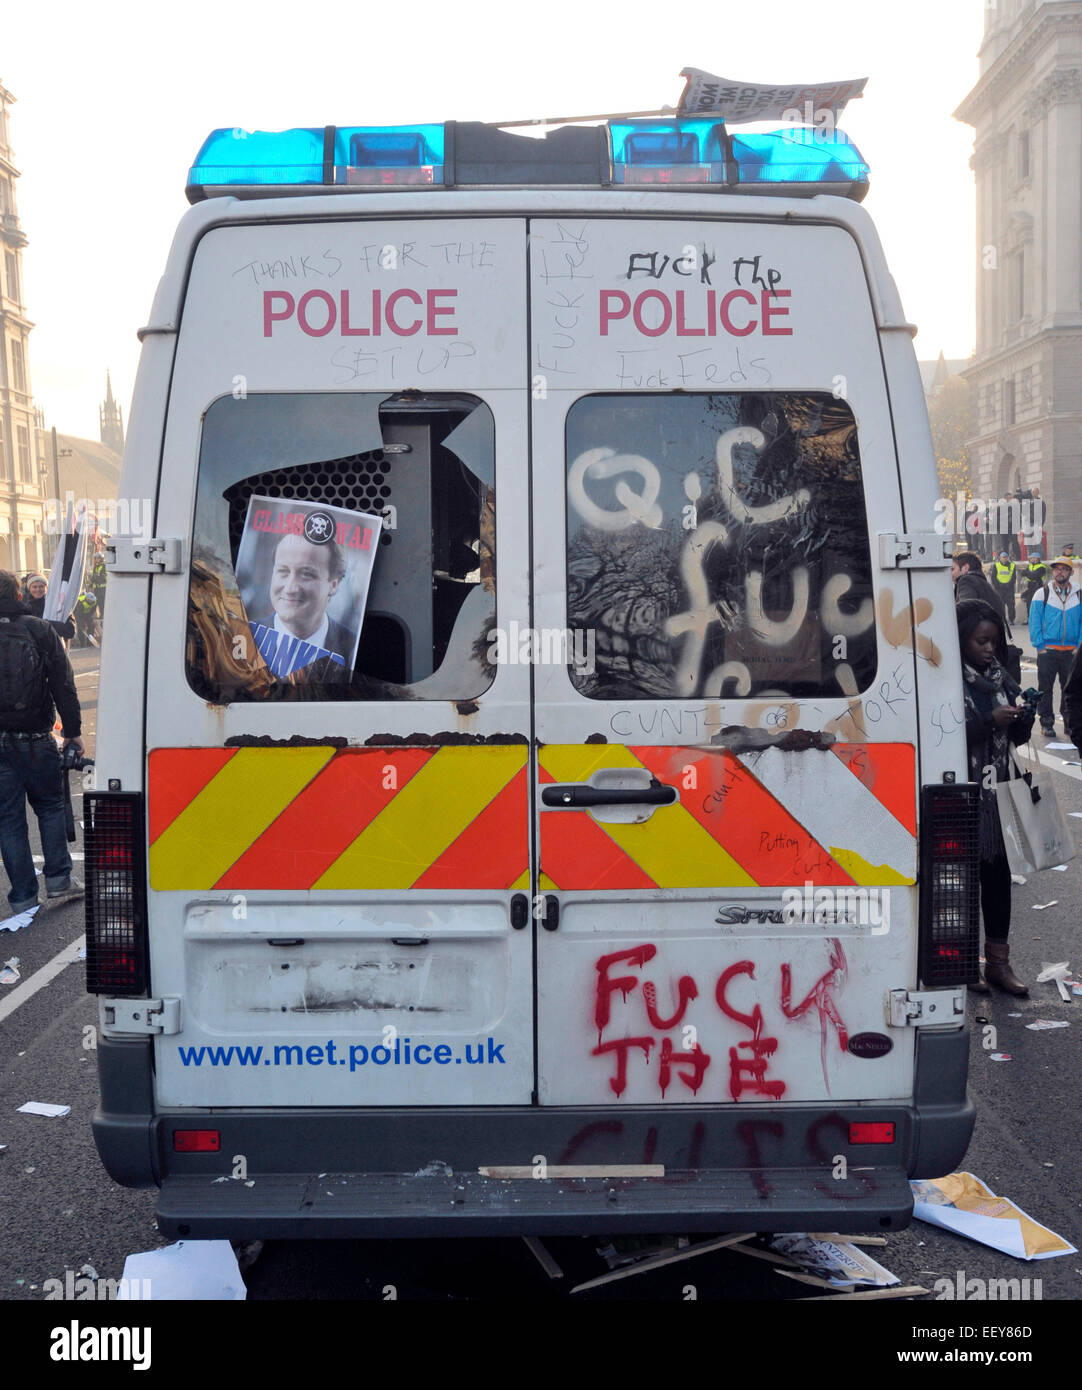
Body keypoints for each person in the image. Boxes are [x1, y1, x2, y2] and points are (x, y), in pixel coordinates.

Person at [958, 599, 1034, 995]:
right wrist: (989, 721)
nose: (988, 649)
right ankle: (967, 963)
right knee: (964, 882)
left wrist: (1025, 717)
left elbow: (1016, 741)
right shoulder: (948, 680)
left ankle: (999, 965)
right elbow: (947, 732)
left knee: (998, 880)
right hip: (963, 796)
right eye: (979, 641)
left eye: (992, 642)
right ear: (962, 641)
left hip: (999, 794)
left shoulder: (1002, 677)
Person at [0, 569, 84, 914]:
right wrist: (73, 731)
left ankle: (22, 895)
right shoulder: (37, 629)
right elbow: (63, 682)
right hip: (36, 735)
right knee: (49, 808)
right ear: (18, 595)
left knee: (8, 818)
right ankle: (59, 881)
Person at [247, 532, 356, 678]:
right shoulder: (243, 638)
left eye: (307, 574)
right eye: (283, 571)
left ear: (333, 585)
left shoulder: (353, 649)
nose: (290, 588)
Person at [1027, 555, 1081, 737]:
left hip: (1071, 652)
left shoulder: (1079, 594)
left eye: (1064, 569)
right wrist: (1040, 646)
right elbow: (1034, 621)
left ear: (1071, 572)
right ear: (1053, 571)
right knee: (1045, 689)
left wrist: (1078, 647)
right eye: (1057, 569)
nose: (1060, 572)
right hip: (1047, 651)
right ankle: (1046, 723)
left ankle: (1069, 723)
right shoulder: (1042, 593)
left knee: (1070, 691)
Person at [952, 550, 1007, 626]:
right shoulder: (983, 584)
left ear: (965, 567)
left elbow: (965, 611)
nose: (950, 573)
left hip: (976, 635)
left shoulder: (966, 581)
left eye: (952, 569)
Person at [22, 574, 76, 643]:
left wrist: (46, 624)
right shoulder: (25, 608)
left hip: (54, 649)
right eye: (34, 587)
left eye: (41, 586)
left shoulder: (58, 604)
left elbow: (70, 631)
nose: (38, 589)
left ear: (46, 588)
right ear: (29, 589)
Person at [991, 550, 1017, 622]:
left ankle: (1011, 619)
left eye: (1005, 557)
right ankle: (1002, 619)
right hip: (999, 589)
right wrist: (998, 585)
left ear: (1007, 558)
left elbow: (1014, 577)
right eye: (1003, 557)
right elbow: (993, 577)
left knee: (1011, 604)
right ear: (1000, 558)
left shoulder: (1012, 565)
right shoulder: (996, 565)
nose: (1004, 559)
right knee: (1000, 605)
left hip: (1009, 588)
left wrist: (1009, 584)